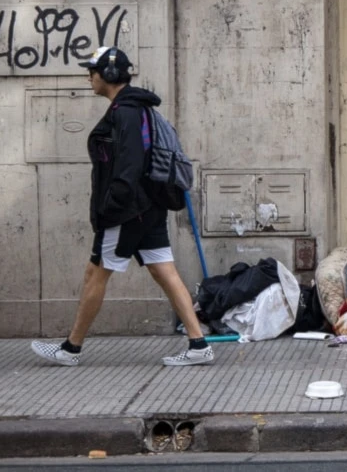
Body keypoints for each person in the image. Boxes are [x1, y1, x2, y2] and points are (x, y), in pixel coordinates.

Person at [30, 47, 214, 367]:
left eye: (93, 71)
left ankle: (71, 349)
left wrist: (110, 207)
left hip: (128, 210)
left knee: (95, 274)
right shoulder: (136, 108)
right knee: (163, 270)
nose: (89, 76)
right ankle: (199, 344)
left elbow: (128, 165)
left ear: (110, 75)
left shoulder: (126, 111)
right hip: (148, 206)